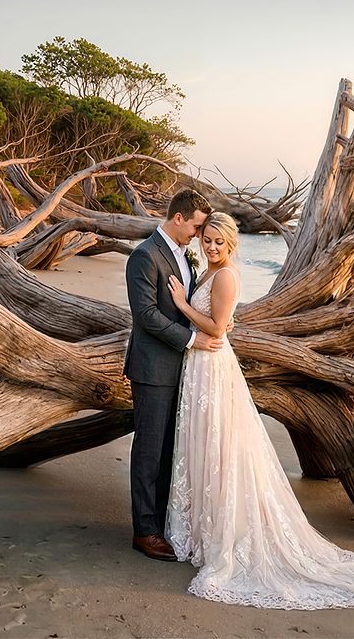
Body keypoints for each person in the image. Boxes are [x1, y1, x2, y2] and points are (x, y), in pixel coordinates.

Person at [163, 212, 354, 608]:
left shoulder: (226, 276)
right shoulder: (209, 272)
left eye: (219, 242)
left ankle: (225, 535)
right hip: (200, 366)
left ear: (231, 245)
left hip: (211, 364)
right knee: (203, 443)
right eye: (207, 240)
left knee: (219, 445)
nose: (211, 247)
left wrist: (181, 304)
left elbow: (216, 327)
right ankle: (203, 531)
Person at [124, 188, 225, 561]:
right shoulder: (145, 256)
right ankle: (145, 531)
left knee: (172, 449)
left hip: (182, 370)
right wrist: (192, 340)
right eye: (197, 227)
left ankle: (165, 523)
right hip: (153, 369)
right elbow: (146, 316)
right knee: (150, 450)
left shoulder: (186, 258)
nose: (199, 236)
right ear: (179, 217)